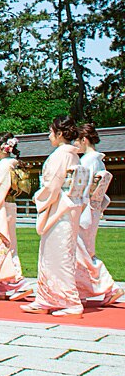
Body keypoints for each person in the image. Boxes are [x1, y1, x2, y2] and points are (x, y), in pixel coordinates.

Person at [24, 117, 90, 316]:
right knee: (55, 254)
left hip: (60, 209)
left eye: (51, 132)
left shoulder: (60, 155)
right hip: (68, 209)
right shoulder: (73, 155)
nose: (48, 135)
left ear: (60, 134)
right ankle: (46, 297)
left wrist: (38, 196)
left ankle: (70, 301)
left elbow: (52, 186)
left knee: (58, 256)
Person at [74, 123, 124, 306]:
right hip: (93, 210)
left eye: (77, 140)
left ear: (84, 140)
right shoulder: (98, 160)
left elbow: (83, 190)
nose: (75, 144)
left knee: (81, 251)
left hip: (85, 210)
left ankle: (108, 286)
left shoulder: (87, 161)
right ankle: (81, 291)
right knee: (84, 250)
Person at [0, 132, 33, 302]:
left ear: (2, 148)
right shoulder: (12, 164)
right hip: (8, 206)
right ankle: (0, 286)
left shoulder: (3, 166)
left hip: (0, 208)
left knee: (0, 246)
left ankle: (17, 283)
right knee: (6, 244)